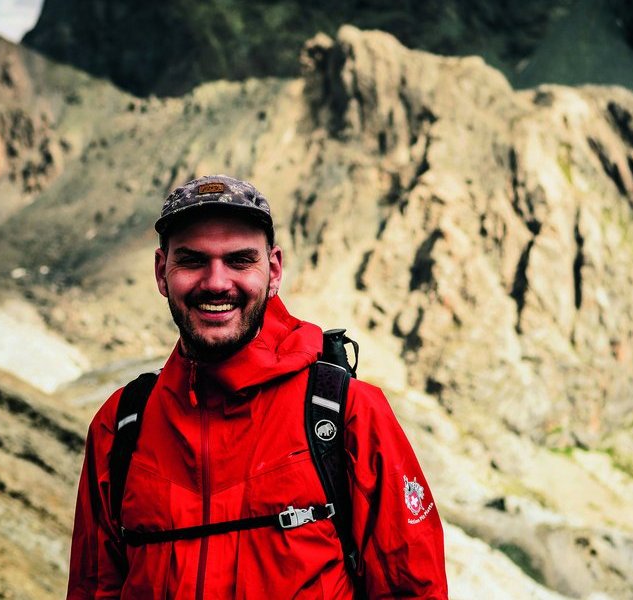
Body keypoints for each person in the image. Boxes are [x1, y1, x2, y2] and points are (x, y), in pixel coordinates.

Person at [67, 175, 448, 599]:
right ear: (162, 272)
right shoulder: (120, 428)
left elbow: (412, 588)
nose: (216, 282)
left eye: (240, 261)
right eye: (192, 261)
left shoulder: (347, 413)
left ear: (274, 271)